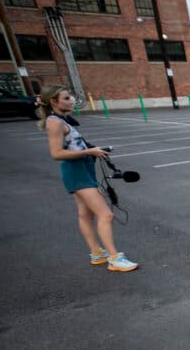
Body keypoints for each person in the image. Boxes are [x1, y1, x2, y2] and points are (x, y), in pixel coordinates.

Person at [38, 85, 137, 272]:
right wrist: (90, 151)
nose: (72, 101)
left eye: (71, 97)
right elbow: (56, 153)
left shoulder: (62, 120)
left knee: (85, 214)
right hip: (77, 171)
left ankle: (97, 253)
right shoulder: (55, 122)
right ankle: (114, 259)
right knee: (106, 214)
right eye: (66, 98)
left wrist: (94, 151)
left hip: (82, 168)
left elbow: (74, 146)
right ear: (53, 101)